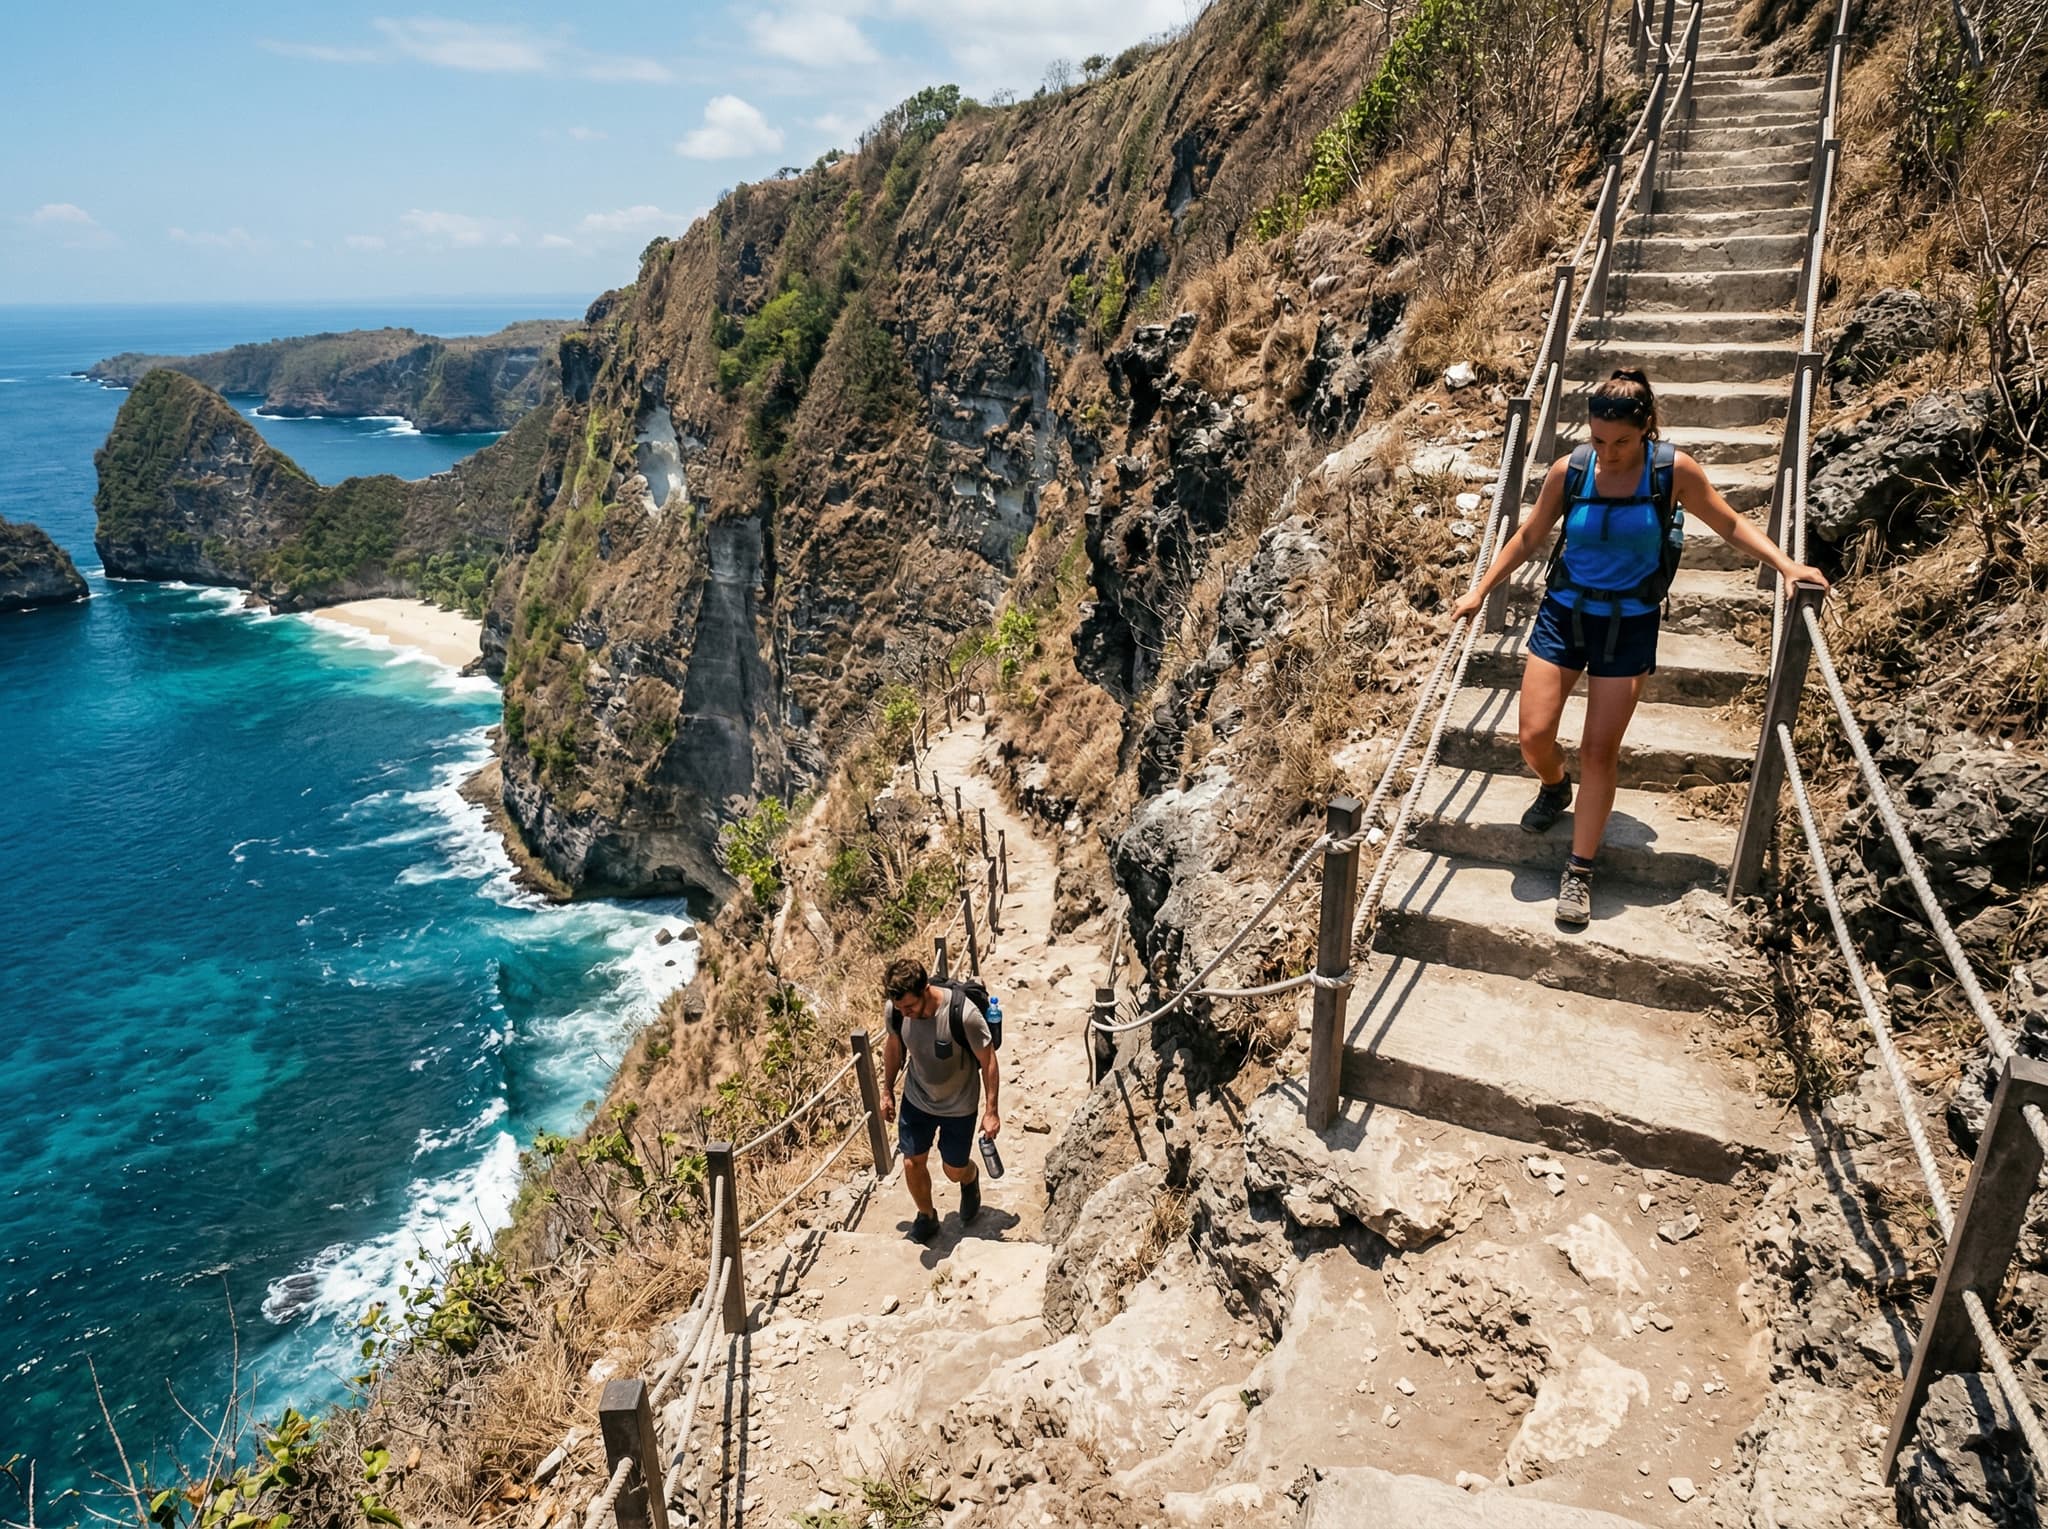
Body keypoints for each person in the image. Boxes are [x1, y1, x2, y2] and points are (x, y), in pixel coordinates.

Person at [1449, 368, 1828, 926]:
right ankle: (1555, 788)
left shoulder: (1671, 470)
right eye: (1599, 440)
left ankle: (1580, 870)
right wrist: (1480, 590)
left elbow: (1727, 524)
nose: (1609, 453)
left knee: (1600, 750)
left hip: (1629, 623)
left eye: (1621, 442)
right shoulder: (1572, 470)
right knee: (1533, 736)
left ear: (1647, 428)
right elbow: (1531, 535)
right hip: (1564, 614)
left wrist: (1787, 565)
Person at [877, 956, 1000, 1245]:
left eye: (910, 1006)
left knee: (953, 1170)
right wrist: (886, 1091)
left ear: (926, 989)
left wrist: (991, 1110)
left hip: (959, 1104)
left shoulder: (963, 1013)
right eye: (900, 1008)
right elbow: (894, 1047)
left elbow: (989, 1060)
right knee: (911, 1162)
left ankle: (969, 1178)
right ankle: (927, 1216)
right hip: (917, 1098)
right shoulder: (896, 1012)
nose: (905, 1013)